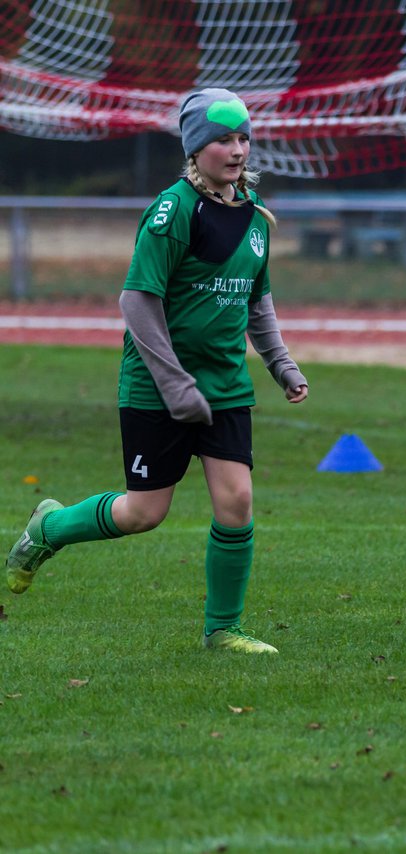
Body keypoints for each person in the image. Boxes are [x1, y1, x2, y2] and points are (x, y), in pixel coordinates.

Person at [5, 88, 308, 654]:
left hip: (224, 387)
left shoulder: (256, 219)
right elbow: (137, 303)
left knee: (237, 501)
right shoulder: (173, 212)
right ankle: (47, 529)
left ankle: (222, 630)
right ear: (196, 148)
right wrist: (175, 384)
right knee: (145, 513)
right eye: (223, 139)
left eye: (243, 137)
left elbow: (256, 302)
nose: (237, 148)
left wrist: (281, 364)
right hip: (157, 387)